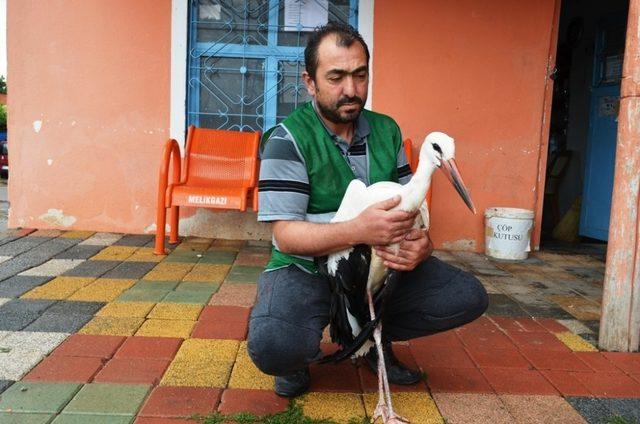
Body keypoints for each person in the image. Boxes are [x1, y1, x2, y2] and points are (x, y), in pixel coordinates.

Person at [247, 22, 488, 398]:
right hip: (306, 266)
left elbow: (411, 206)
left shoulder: (386, 131)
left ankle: (370, 340)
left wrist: (423, 244)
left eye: (360, 76)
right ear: (309, 82)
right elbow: (285, 234)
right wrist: (359, 230)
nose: (351, 90)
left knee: (466, 296)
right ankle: (295, 357)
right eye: (336, 77)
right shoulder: (287, 139)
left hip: (375, 269)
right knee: (275, 344)